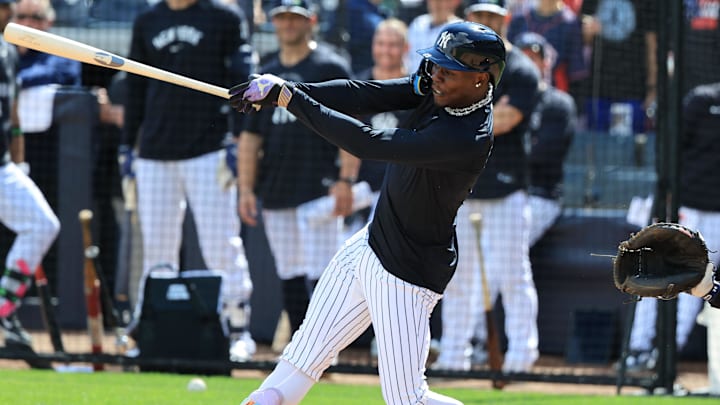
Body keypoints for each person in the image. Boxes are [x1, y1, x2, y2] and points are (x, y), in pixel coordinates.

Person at [231, 20, 505, 405]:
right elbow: (365, 95)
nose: (436, 76)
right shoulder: (438, 88)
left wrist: (290, 99)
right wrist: (284, 89)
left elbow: (368, 141)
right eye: (436, 65)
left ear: (480, 80)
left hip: (407, 270)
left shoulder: (467, 136)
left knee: (407, 399)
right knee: (297, 365)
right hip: (369, 246)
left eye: (448, 70)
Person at [121, 0, 256, 362]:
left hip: (208, 148)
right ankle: (152, 327)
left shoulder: (223, 17)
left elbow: (242, 79)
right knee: (158, 248)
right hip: (154, 151)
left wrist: (237, 137)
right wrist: (126, 147)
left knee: (219, 243)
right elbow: (135, 86)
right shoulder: (148, 19)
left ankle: (237, 327)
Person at [237, 0, 357, 337]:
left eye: (296, 18)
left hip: (319, 186)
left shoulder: (330, 66)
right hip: (276, 187)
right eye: (282, 18)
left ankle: (325, 346)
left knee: (323, 272)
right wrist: (246, 188)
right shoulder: (264, 75)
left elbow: (351, 128)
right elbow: (250, 137)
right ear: (273, 23)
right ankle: (300, 344)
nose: (288, 24)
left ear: (312, 21)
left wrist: (346, 179)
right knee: (288, 271)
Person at [433, 0, 541, 373]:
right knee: (458, 275)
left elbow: (509, 118)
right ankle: (453, 355)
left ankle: (521, 356)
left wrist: (463, 115)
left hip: (508, 188)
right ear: (469, 18)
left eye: (493, 16)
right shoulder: (453, 61)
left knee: (513, 273)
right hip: (463, 186)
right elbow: (440, 105)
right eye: (480, 16)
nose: (487, 22)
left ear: (505, 19)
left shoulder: (522, 67)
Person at [0, 0, 60, 360]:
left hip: (2, 165)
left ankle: (4, 310)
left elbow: (14, 114)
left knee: (43, 224)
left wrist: (19, 162)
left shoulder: (7, 53)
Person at [514, 32, 576, 247]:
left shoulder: (559, 103)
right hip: (507, 194)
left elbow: (546, 155)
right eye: (522, 58)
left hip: (541, 197)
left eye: (533, 58)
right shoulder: (503, 101)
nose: (528, 64)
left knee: (510, 245)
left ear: (545, 63)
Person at [506, 0, 587, 94]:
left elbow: (575, 75)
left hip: (553, 94)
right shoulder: (519, 19)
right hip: (515, 91)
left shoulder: (570, 23)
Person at [404, 0, 462, 73]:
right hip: (414, 80)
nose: (436, 4)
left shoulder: (459, 28)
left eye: (441, 1)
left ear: (452, 2)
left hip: (439, 81)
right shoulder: (417, 23)